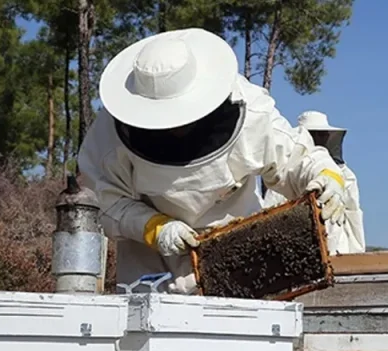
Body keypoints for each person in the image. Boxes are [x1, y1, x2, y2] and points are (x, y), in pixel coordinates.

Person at [77, 28, 348, 293]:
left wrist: (327, 176)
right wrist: (152, 227)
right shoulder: (109, 135)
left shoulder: (251, 112)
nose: (174, 127)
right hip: (150, 266)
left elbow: (296, 159)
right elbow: (102, 200)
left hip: (241, 257)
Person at [264, 110, 366, 254]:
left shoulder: (345, 175)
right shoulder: (286, 175)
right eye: (316, 133)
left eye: (324, 134)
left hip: (339, 251)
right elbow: (268, 216)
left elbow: (353, 215)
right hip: (297, 251)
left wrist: (357, 255)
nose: (322, 137)